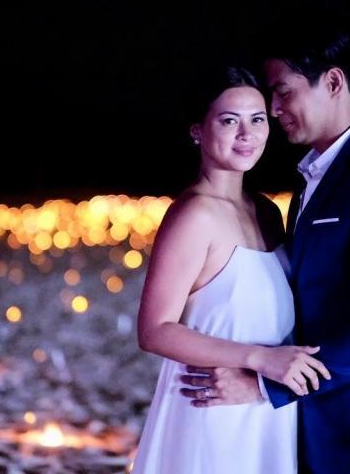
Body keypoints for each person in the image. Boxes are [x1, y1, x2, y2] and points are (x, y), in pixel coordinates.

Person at [180, 30, 350, 473]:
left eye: (283, 92)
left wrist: (266, 384)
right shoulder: (314, 176)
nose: (273, 109)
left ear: (333, 82)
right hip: (316, 427)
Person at [131, 65, 330, 474]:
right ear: (197, 130)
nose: (247, 134)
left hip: (263, 404)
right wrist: (260, 359)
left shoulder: (266, 212)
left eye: (257, 119)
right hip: (212, 408)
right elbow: (154, 330)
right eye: (229, 120)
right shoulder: (193, 215)